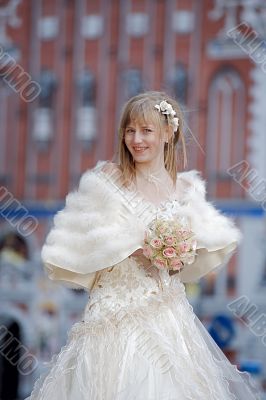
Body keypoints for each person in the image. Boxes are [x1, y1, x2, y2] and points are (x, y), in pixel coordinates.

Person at [26, 91, 262, 399]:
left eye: (146, 130)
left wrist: (179, 252)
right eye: (130, 130)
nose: (136, 139)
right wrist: (136, 246)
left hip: (166, 314)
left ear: (167, 133)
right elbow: (82, 237)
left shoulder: (185, 188)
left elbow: (206, 243)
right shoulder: (108, 179)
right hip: (112, 311)